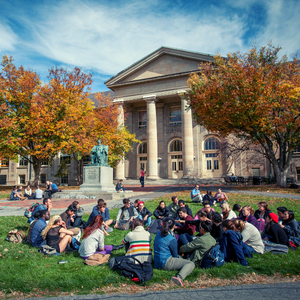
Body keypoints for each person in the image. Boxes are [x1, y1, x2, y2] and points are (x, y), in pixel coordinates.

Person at [154, 218, 195, 287]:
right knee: (190, 263)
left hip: (156, 262)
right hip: (165, 263)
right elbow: (175, 256)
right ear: (173, 226)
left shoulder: (158, 234)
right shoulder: (172, 239)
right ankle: (179, 277)